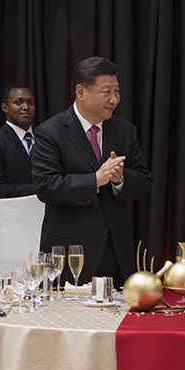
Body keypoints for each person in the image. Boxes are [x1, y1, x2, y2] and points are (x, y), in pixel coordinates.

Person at [31, 57, 151, 286]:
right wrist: (96, 179)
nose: (114, 99)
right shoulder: (50, 132)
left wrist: (120, 179)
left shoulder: (125, 131)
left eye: (117, 91)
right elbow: (46, 186)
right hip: (69, 251)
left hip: (116, 248)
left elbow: (145, 181)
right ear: (80, 91)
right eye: (106, 92)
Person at [0, 84, 39, 198]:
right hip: (8, 212)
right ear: (5, 107)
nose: (26, 107)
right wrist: (41, 189)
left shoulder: (44, 138)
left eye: (31, 102)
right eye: (18, 102)